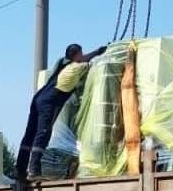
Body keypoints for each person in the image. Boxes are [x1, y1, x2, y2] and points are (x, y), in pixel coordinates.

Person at [16, 43, 108, 181]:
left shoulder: (62, 62)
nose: (83, 56)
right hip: (49, 101)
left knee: (30, 134)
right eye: (81, 54)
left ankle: (20, 169)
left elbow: (83, 58)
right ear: (77, 55)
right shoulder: (79, 67)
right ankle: (34, 170)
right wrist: (100, 54)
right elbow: (89, 63)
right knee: (43, 134)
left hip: (38, 98)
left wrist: (97, 51)